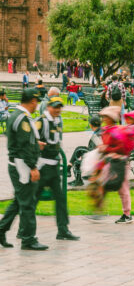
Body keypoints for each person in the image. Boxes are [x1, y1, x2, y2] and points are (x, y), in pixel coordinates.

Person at [0, 89, 48, 250]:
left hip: (19, 164)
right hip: (22, 166)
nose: (37, 105)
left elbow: (25, 141)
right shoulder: (22, 118)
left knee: (20, 201)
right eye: (37, 101)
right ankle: (28, 239)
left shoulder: (19, 115)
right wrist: (33, 167)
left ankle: (1, 229)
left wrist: (36, 144)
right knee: (27, 203)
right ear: (32, 101)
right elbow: (23, 145)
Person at [34, 97, 79, 241]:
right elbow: (29, 138)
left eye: (59, 107)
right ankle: (24, 230)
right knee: (32, 200)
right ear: (48, 107)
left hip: (53, 166)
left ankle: (63, 230)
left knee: (60, 199)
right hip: (42, 166)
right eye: (55, 107)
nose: (58, 109)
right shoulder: (41, 121)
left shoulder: (57, 121)